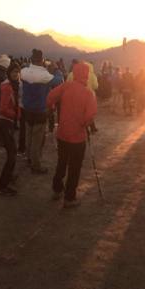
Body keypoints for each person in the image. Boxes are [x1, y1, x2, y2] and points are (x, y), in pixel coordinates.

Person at [46, 62, 97, 208]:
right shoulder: (89, 93)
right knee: (74, 168)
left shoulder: (66, 86)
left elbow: (49, 97)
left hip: (62, 133)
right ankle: (69, 198)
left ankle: (57, 189)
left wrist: (53, 108)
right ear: (87, 74)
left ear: (74, 73)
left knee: (62, 162)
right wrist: (83, 124)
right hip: (78, 137)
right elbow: (90, 115)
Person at [21, 49, 60, 174]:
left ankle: (28, 159)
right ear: (42, 60)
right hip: (40, 111)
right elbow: (59, 81)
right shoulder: (44, 75)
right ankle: (36, 165)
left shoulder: (24, 72)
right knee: (37, 140)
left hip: (27, 109)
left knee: (29, 136)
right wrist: (56, 69)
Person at [0, 62, 21, 196]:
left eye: (17, 72)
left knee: (12, 152)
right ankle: (1, 185)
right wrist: (16, 115)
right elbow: (3, 109)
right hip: (5, 123)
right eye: (13, 72)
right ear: (9, 73)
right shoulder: (7, 87)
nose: (16, 74)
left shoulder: (14, 86)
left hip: (9, 123)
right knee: (12, 154)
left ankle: (9, 176)